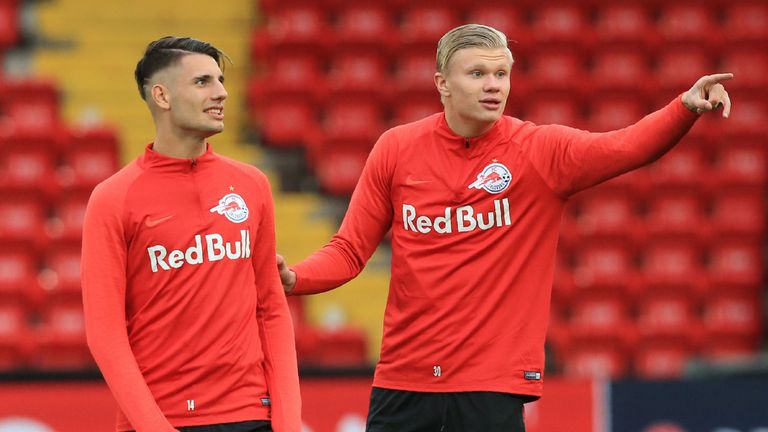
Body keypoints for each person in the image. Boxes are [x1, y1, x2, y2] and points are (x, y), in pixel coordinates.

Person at [276, 24, 732, 432]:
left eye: (501, 75)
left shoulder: (539, 150)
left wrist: (684, 108)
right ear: (442, 84)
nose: (493, 86)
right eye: (477, 74)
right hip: (403, 381)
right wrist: (296, 278)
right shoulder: (396, 149)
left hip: (490, 386)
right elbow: (350, 250)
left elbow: (624, 148)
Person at [81, 36, 301, 432]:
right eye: (203, 82)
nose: (222, 93)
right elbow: (105, 335)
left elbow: (271, 309)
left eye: (220, 80)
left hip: (251, 415)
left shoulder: (252, 184)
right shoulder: (113, 199)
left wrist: (287, 422)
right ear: (162, 96)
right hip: (167, 420)